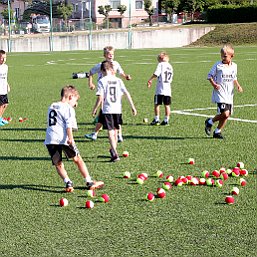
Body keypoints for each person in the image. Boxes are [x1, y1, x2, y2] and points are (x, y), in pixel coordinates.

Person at [44, 85, 104, 192]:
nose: (76, 104)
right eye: (75, 100)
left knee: (58, 163)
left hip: (50, 139)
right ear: (70, 97)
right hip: (64, 139)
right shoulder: (68, 108)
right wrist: (71, 139)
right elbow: (68, 125)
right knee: (77, 159)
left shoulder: (52, 105)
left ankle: (68, 183)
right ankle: (89, 182)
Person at [92, 61, 137, 162]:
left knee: (110, 131)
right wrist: (132, 107)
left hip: (107, 109)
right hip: (118, 109)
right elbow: (126, 93)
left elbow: (100, 97)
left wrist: (95, 108)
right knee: (116, 130)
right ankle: (113, 150)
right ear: (112, 70)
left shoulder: (102, 81)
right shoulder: (118, 80)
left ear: (102, 70)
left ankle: (115, 153)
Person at [85, 46, 131, 142]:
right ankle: (96, 134)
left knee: (108, 113)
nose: (111, 56)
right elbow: (90, 72)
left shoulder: (116, 64)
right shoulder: (101, 65)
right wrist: (90, 83)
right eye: (109, 54)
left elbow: (121, 73)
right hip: (104, 90)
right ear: (104, 55)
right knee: (105, 113)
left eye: (112, 54)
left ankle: (115, 135)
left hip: (113, 91)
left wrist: (126, 76)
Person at [205, 44, 243, 139]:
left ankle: (217, 131)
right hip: (220, 93)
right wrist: (214, 85)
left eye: (225, 56)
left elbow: (234, 78)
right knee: (225, 113)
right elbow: (209, 76)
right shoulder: (218, 65)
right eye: (222, 55)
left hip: (229, 94)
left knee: (227, 115)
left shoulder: (234, 66)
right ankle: (210, 121)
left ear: (232, 56)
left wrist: (238, 85)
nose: (223, 57)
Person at [147, 52, 173, 126]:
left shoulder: (161, 64)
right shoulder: (170, 66)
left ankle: (156, 119)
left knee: (157, 104)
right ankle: (166, 120)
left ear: (161, 58)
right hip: (168, 89)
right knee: (167, 105)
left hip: (160, 88)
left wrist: (150, 79)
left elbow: (156, 73)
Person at [0, 50, 10, 127]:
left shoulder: (6, 67)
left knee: (6, 104)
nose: (3, 59)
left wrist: (7, 85)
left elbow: (5, 77)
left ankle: (0, 117)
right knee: (1, 105)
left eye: (5, 58)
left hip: (4, 89)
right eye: (1, 58)